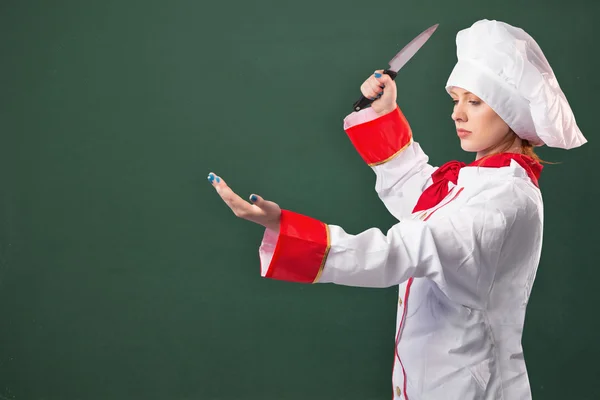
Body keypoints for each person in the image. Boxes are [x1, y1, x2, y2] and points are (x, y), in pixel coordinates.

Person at [207, 19, 586, 399]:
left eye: (474, 101)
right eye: (456, 100)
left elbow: (401, 249)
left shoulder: (501, 200)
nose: (457, 114)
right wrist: (384, 113)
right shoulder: (479, 182)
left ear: (511, 111)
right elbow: (420, 197)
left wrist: (284, 226)